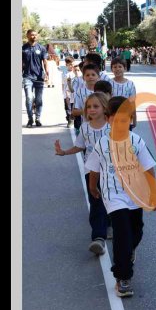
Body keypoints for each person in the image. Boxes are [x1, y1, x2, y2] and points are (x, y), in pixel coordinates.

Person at [86, 96, 156, 296]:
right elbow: (94, 169)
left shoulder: (137, 141)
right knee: (122, 234)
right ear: (108, 119)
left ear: (131, 120)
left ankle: (129, 250)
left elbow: (148, 168)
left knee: (136, 231)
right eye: (116, 119)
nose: (120, 123)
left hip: (135, 195)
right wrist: (93, 187)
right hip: (113, 196)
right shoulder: (102, 144)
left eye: (125, 119)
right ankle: (123, 277)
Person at [54, 92, 111, 255]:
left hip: (111, 171)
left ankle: (110, 224)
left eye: (96, 106)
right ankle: (98, 238)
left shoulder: (112, 126)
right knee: (96, 202)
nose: (91, 109)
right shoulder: (85, 127)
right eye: (89, 107)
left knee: (110, 200)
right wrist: (64, 152)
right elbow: (80, 146)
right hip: (91, 171)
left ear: (104, 107)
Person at [22, 29, 49, 127]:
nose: (34, 36)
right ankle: (30, 119)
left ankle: (38, 118)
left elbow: (45, 61)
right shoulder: (23, 48)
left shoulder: (41, 48)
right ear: (27, 36)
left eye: (35, 35)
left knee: (39, 99)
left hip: (39, 77)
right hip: (27, 76)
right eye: (32, 35)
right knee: (29, 98)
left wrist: (47, 73)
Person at [110, 58, 137, 129]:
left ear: (125, 68)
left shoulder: (130, 84)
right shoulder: (109, 83)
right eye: (115, 67)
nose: (117, 69)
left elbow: (132, 102)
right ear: (112, 69)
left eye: (120, 67)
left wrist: (134, 118)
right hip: (112, 117)